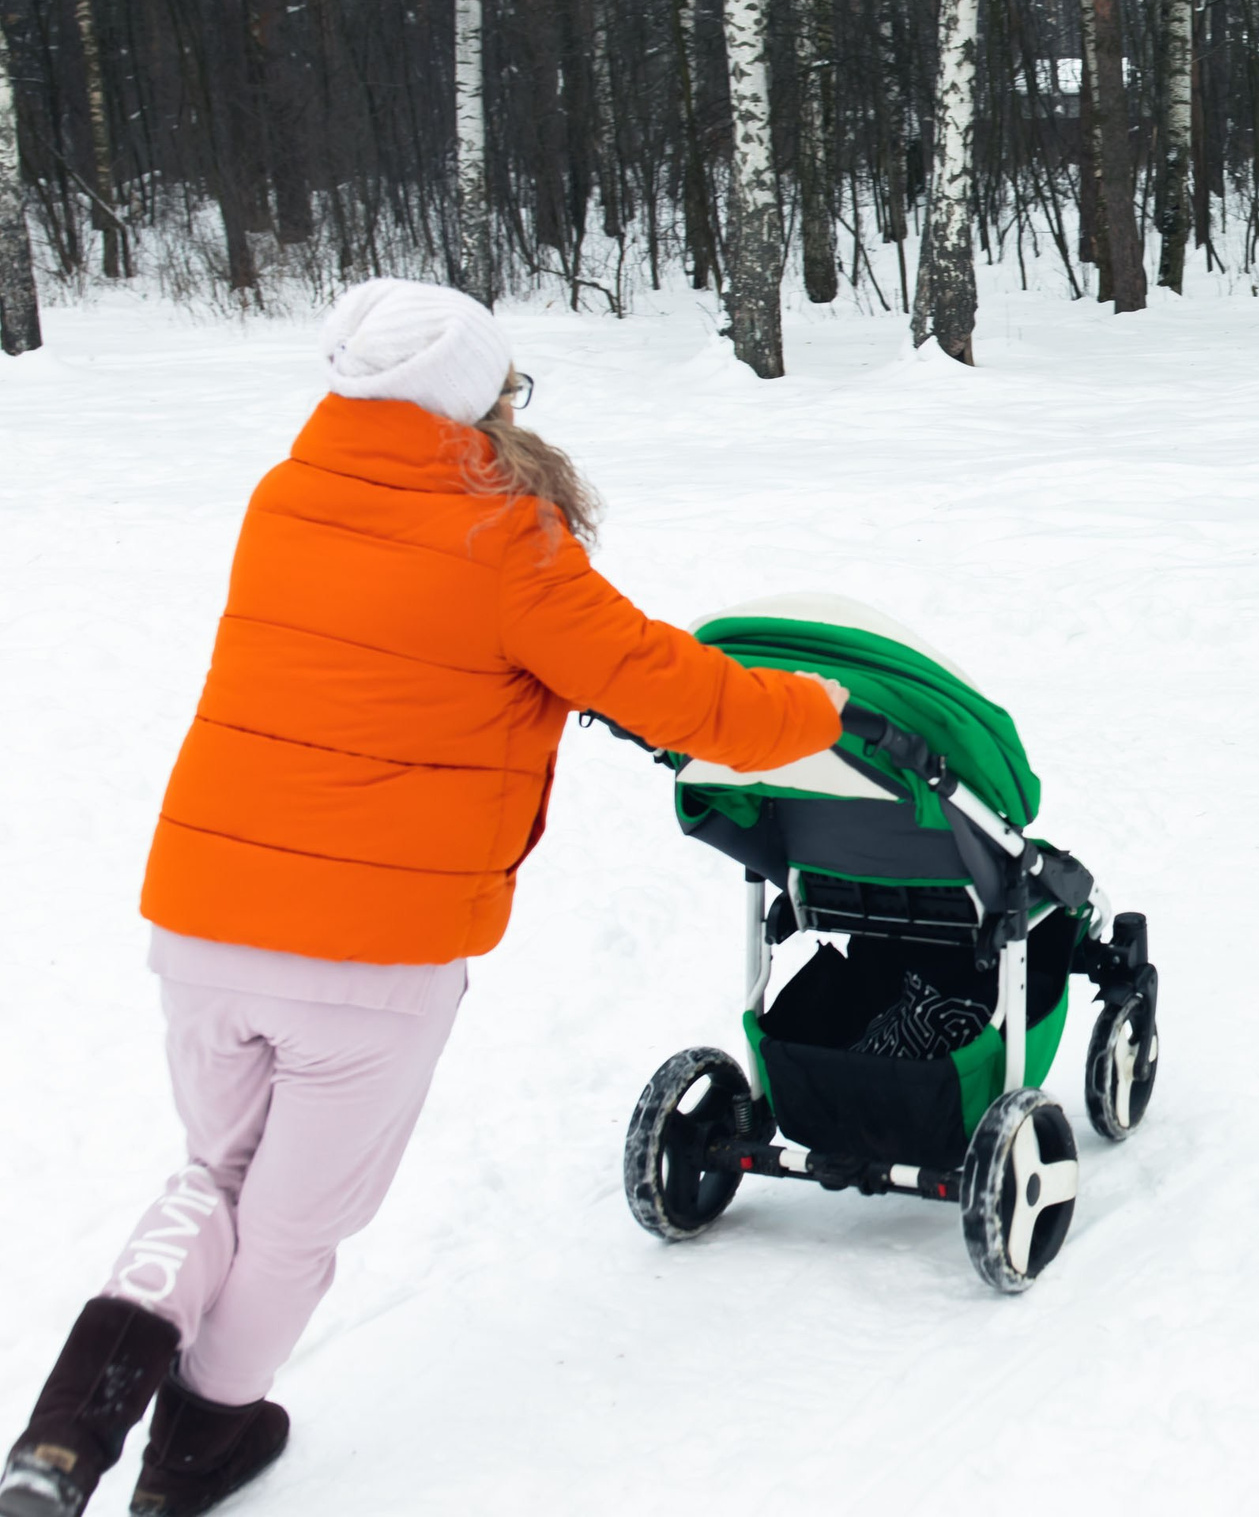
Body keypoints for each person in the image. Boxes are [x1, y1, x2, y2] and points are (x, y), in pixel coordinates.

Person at [0, 280, 850, 1517]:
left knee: (213, 1178)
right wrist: (817, 710)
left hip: (204, 916)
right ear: (474, 398)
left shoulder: (284, 495)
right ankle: (196, 1450)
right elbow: (676, 693)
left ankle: (60, 1439)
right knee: (289, 1226)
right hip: (369, 958)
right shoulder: (501, 538)